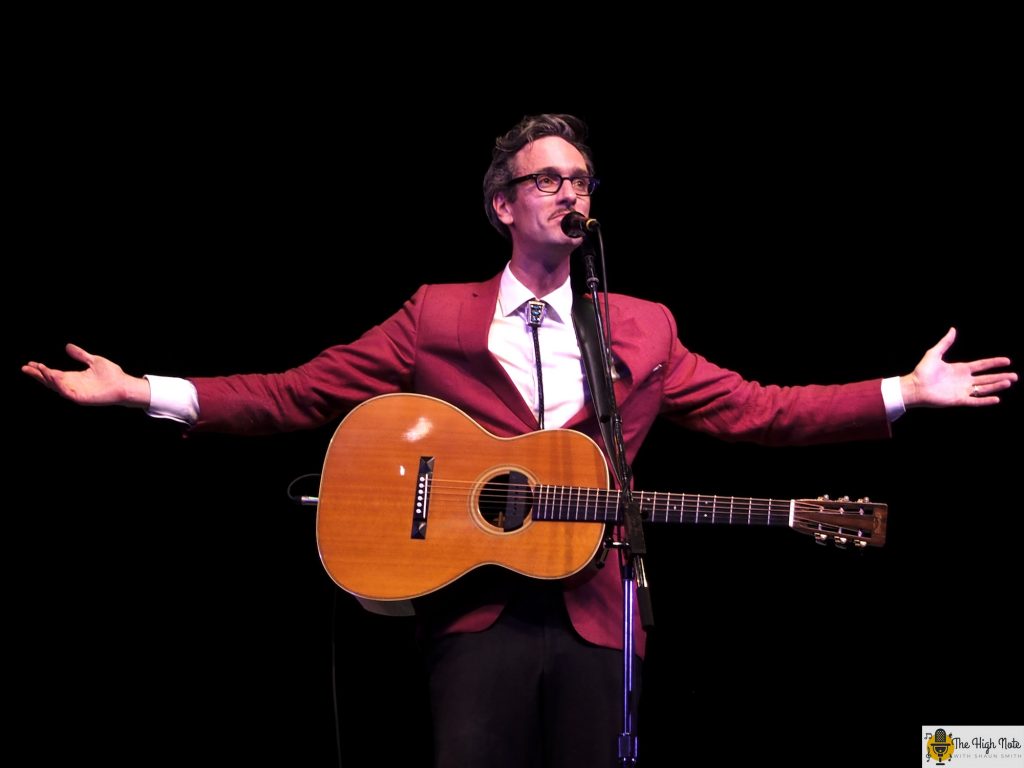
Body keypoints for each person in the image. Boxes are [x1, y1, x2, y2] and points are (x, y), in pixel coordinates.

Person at [21, 113, 1016, 768]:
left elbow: (759, 411)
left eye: (579, 178)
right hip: (474, 613)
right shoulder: (438, 316)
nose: (566, 193)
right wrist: (142, 391)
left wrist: (902, 392)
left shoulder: (642, 327)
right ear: (504, 205)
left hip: (598, 610)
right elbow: (298, 395)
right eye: (545, 179)